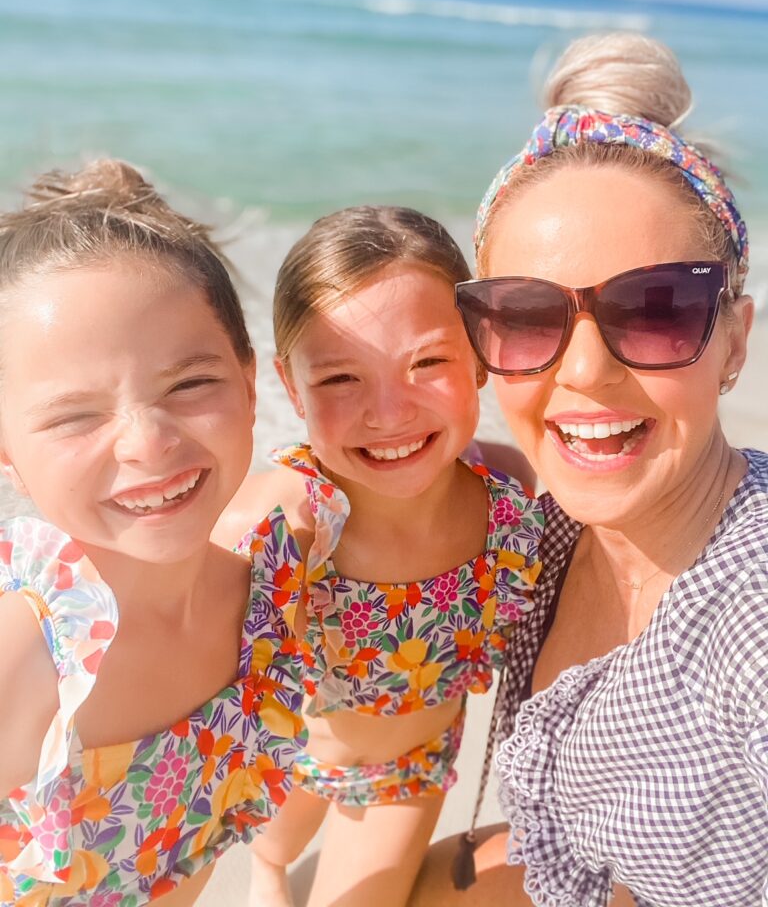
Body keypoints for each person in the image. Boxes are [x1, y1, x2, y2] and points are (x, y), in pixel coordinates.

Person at [411, 31, 766, 907]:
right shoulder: (559, 516)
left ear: (733, 340)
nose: (582, 373)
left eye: (654, 311)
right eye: (527, 317)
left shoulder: (749, 620)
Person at [213, 205, 544, 907]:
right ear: (291, 385)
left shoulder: (512, 492)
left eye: (427, 362)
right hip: (297, 758)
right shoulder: (297, 518)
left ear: (481, 352)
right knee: (270, 848)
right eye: (340, 379)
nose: (389, 412)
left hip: (407, 769)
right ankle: (272, 874)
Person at [0, 162, 308, 906]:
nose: (147, 443)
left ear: (250, 381)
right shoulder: (30, 659)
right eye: (76, 415)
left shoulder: (267, 597)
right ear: (7, 452)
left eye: (189, 385)